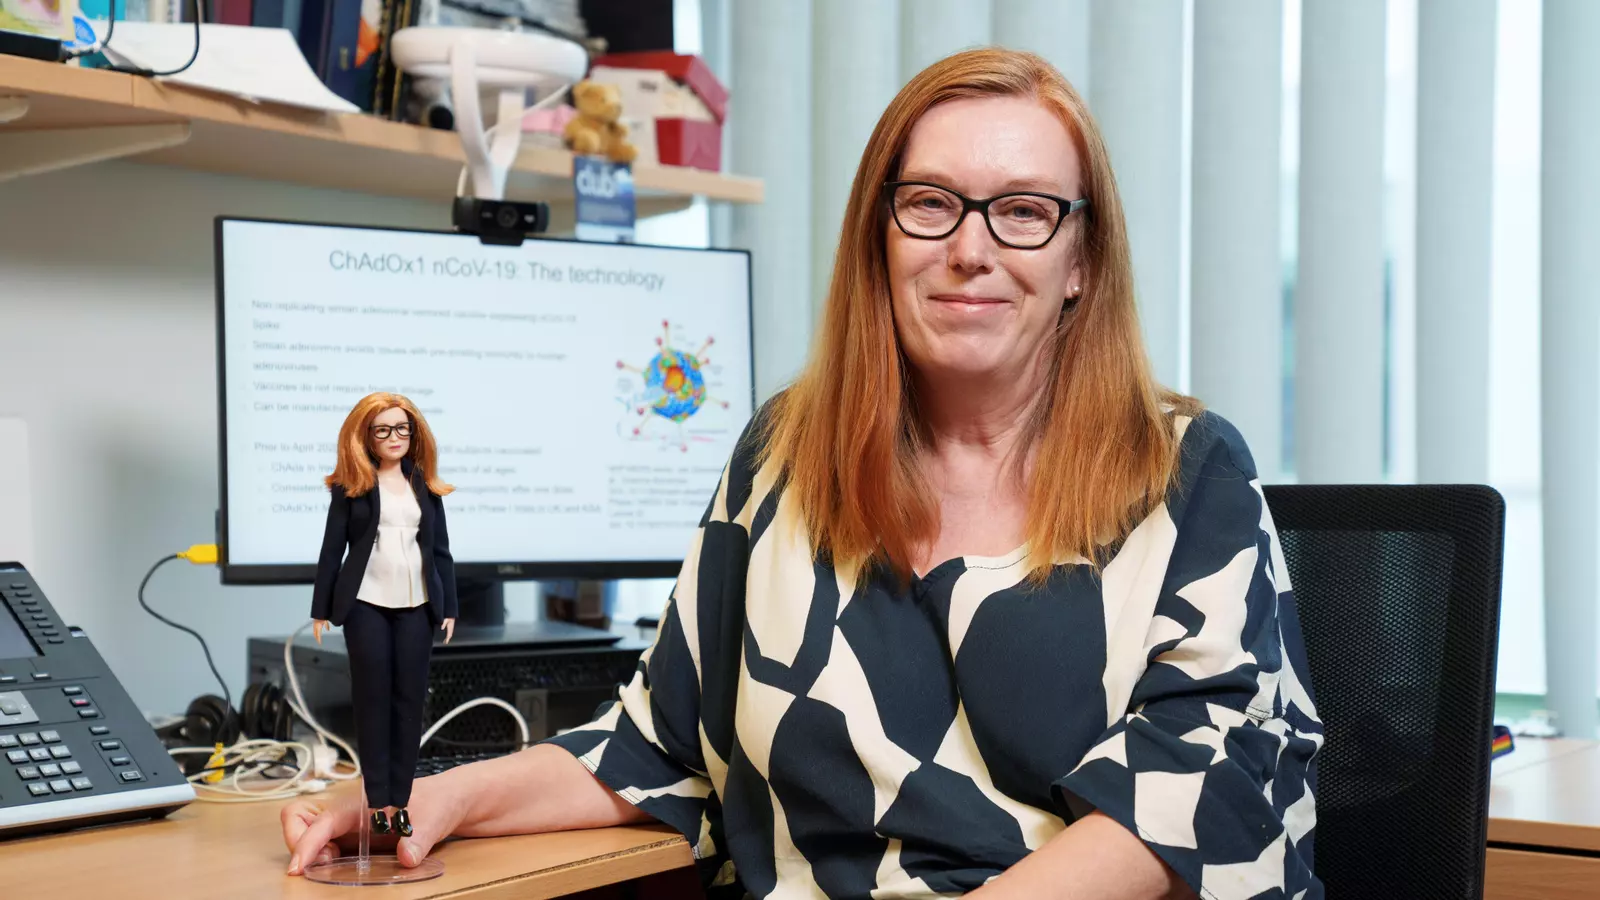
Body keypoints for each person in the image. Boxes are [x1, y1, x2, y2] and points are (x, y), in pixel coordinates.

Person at [284, 49, 1323, 900]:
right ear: (880, 237)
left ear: (1080, 261)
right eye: (930, 203)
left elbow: (1204, 780)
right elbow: (658, 740)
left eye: (1022, 211)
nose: (970, 248)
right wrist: (425, 799)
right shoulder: (784, 457)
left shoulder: (1184, 470)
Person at [309, 392, 458, 840]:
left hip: (417, 604)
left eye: (402, 428)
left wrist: (449, 606)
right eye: (383, 430)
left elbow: (442, 552)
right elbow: (331, 550)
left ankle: (401, 801)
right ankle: (378, 802)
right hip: (366, 603)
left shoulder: (424, 485)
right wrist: (321, 609)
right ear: (367, 436)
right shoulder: (351, 486)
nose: (395, 437)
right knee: (372, 699)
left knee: (409, 702)